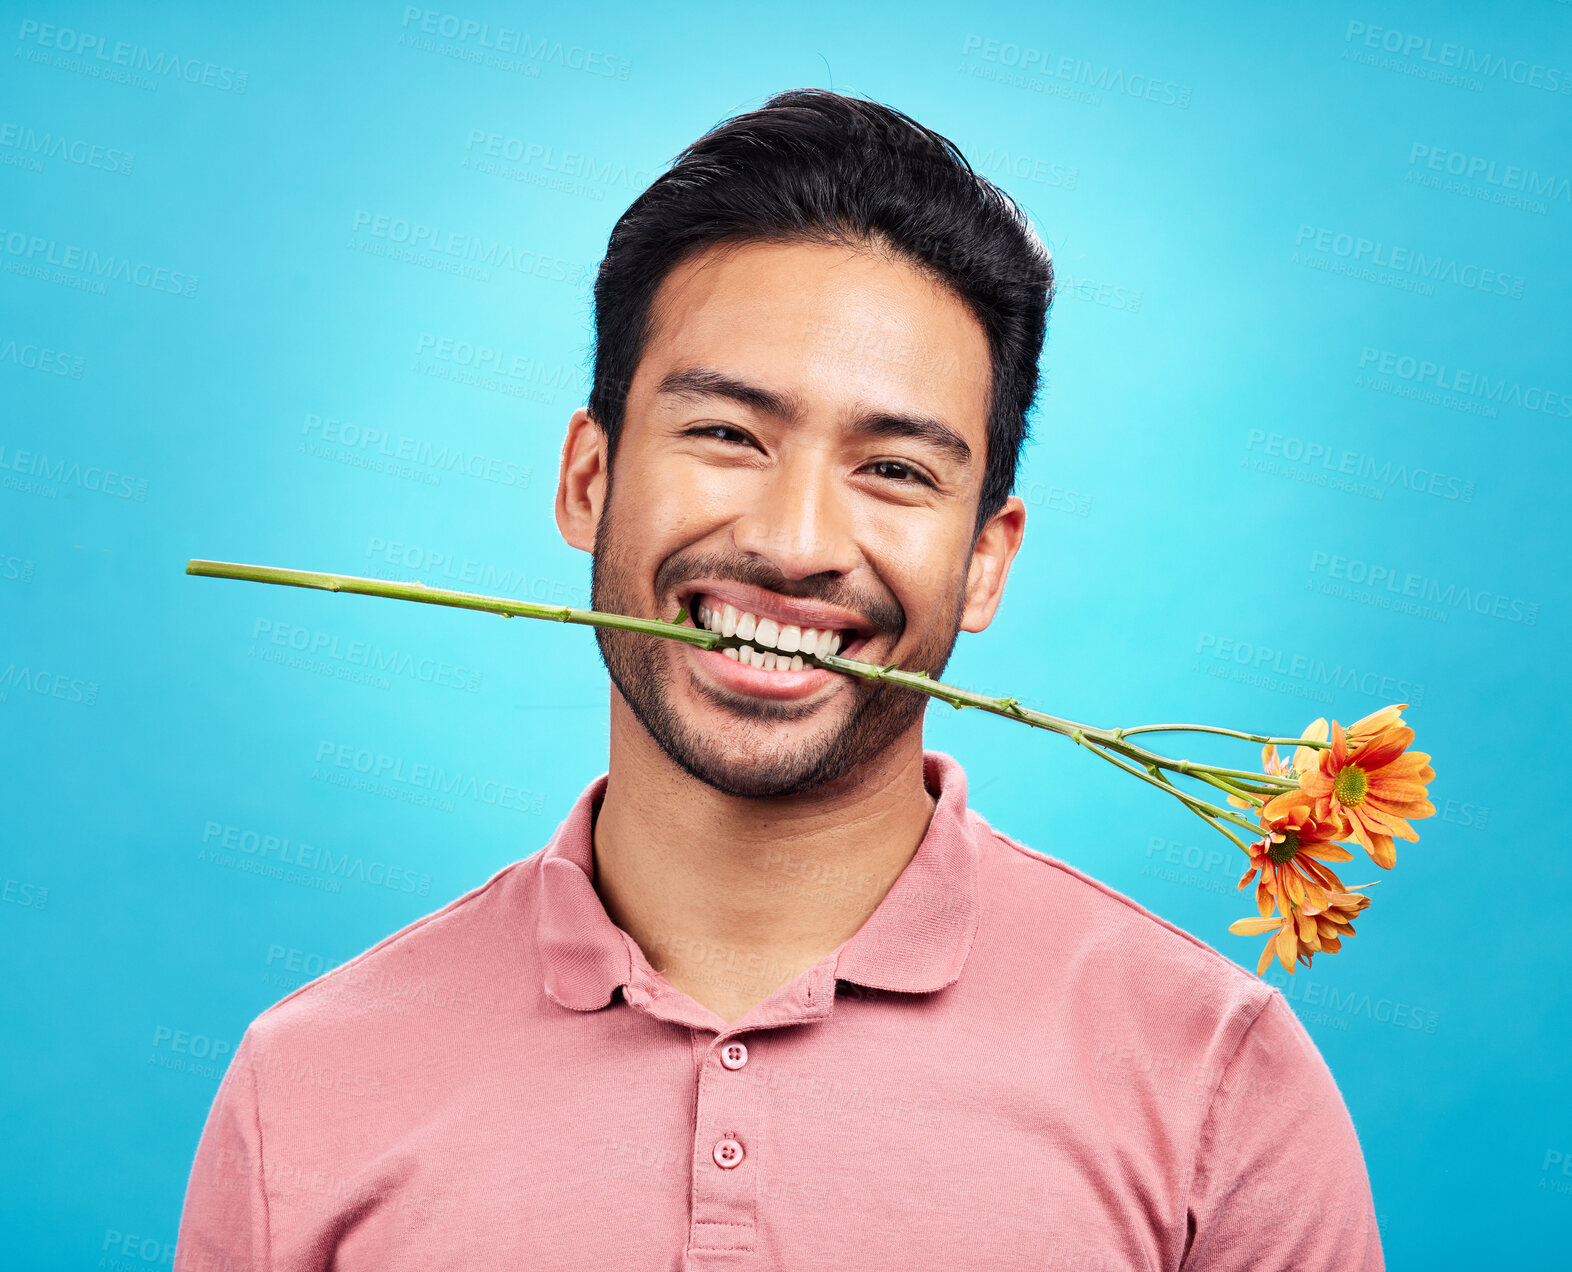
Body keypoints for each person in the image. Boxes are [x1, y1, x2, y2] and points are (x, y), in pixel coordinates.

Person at [176, 88, 1383, 1270]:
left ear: (984, 564)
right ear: (587, 481)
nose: (798, 540)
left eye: (897, 469)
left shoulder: (1217, 1081)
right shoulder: (308, 1086)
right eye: (727, 434)